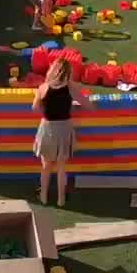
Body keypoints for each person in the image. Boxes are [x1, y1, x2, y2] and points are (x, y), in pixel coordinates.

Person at [31, 58, 91, 206]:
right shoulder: (70, 88)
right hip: (64, 128)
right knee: (61, 167)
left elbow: (34, 108)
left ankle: (43, 197)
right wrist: (72, 106)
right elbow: (88, 105)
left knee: (46, 166)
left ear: (52, 70)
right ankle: (61, 199)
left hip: (47, 127)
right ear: (68, 73)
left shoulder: (43, 87)